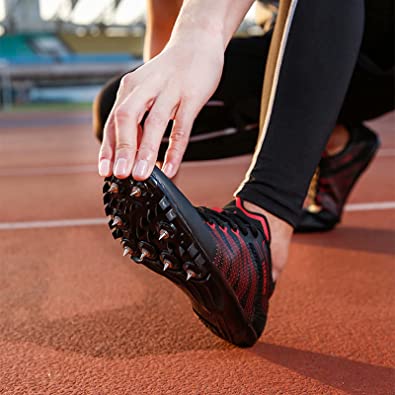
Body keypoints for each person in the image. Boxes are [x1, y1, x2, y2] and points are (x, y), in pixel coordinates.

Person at [97, 0, 394, 346]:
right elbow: (164, 29)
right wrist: (158, 161)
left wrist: (200, 32)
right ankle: (338, 142)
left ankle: (263, 228)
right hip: (312, 46)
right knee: (124, 110)